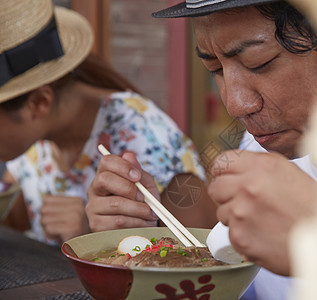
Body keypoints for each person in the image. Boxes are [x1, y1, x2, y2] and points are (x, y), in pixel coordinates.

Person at [87, 0, 317, 298]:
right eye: (215, 69)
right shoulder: (258, 146)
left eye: (258, 63)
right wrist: (152, 229)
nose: (235, 104)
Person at [0, 0, 215, 246]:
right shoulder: (34, 145)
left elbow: (205, 260)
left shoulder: (145, 136)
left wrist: (92, 242)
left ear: (39, 103)